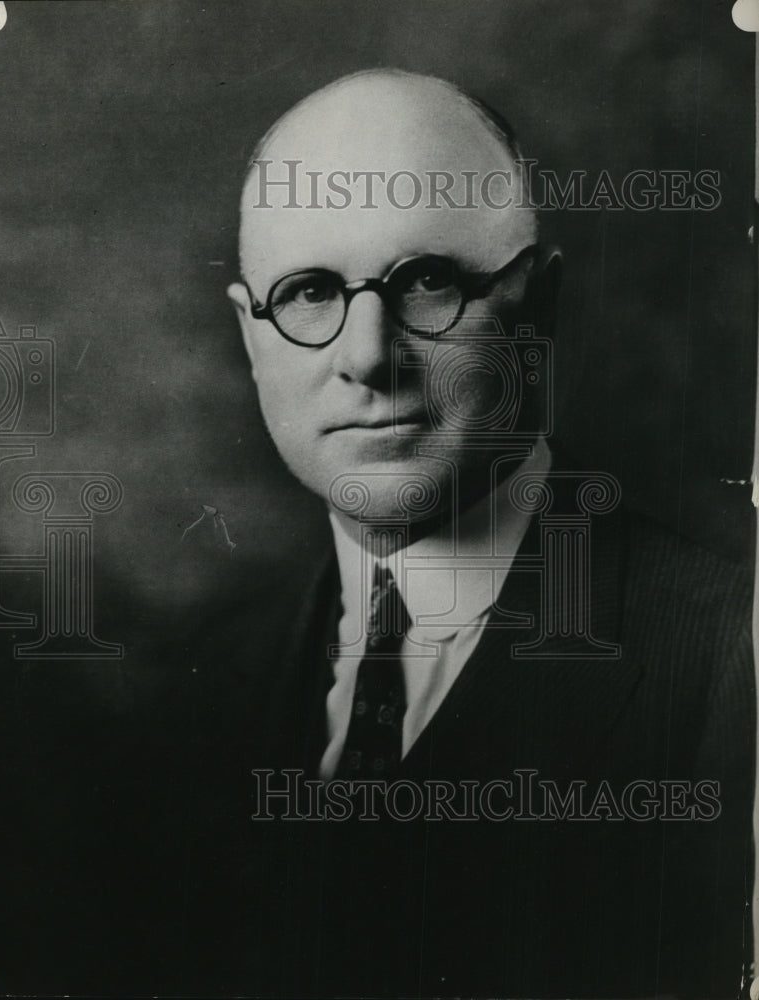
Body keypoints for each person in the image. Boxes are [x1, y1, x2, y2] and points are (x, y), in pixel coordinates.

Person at [192, 69, 752, 998]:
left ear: (539, 308)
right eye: (307, 293)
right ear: (251, 335)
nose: (367, 357)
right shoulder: (195, 686)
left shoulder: (731, 658)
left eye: (426, 282)